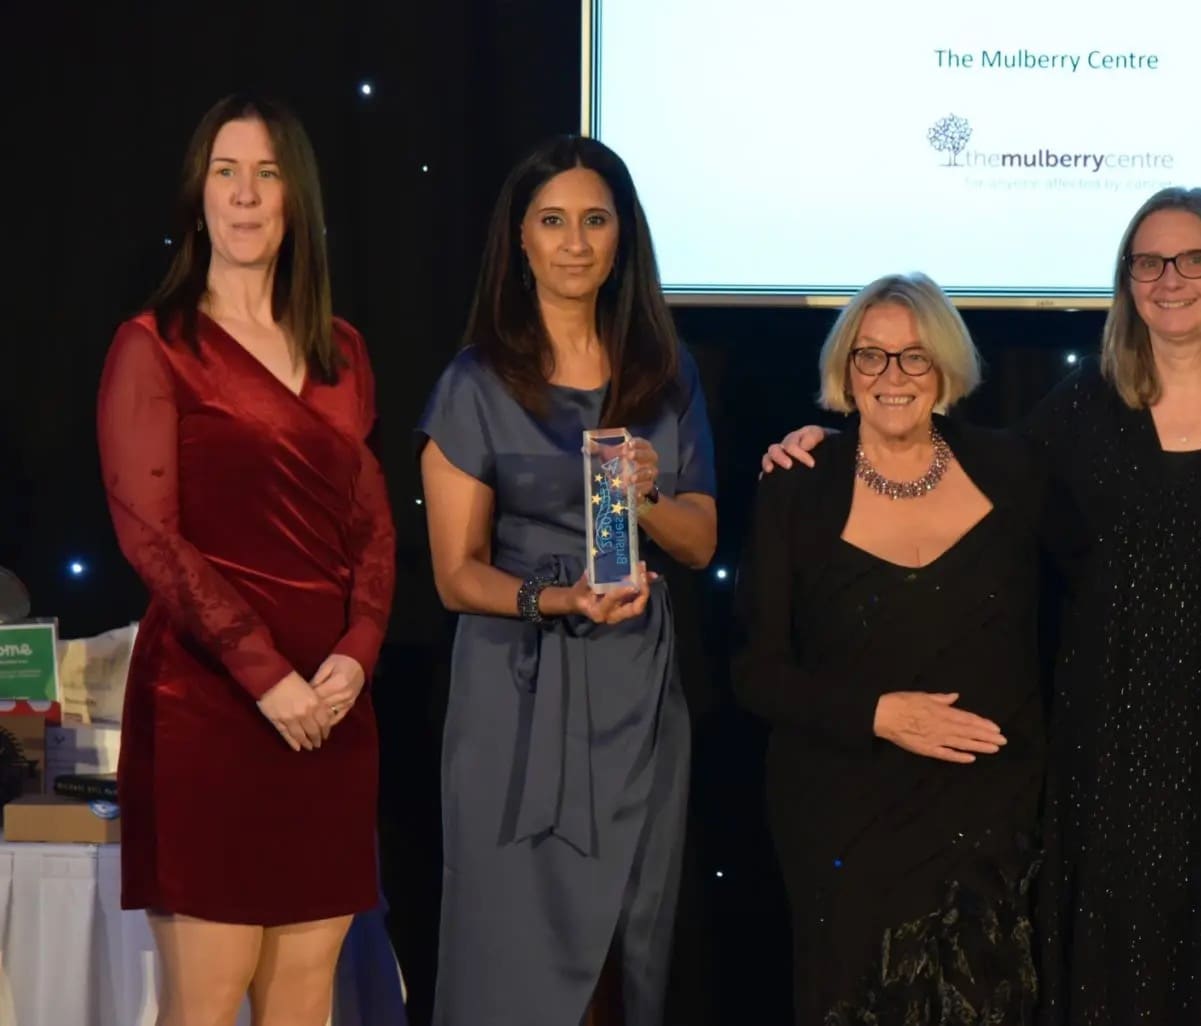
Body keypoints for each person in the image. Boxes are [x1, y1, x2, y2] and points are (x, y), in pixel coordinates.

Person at [762, 188, 1201, 1025]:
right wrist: (832, 440)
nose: (1170, 280)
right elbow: (958, 460)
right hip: (1125, 752)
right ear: (1126, 281)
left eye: (1193, 260)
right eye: (1149, 263)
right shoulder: (1084, 407)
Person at [96, 94, 396, 1026]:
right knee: (207, 994)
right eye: (226, 172)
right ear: (199, 195)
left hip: (332, 710)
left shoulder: (343, 351)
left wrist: (357, 653)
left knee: (305, 997)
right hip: (209, 704)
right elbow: (149, 534)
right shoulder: (154, 345)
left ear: (295, 197)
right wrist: (266, 676)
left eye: (267, 174)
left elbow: (372, 528)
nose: (245, 194)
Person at [419, 135, 718, 1026]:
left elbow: (700, 543)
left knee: (629, 952)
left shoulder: (665, 373)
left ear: (623, 236)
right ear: (520, 238)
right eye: (552, 222)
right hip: (514, 692)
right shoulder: (474, 382)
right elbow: (454, 576)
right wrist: (556, 599)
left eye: (595, 220)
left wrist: (646, 494)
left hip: (635, 691)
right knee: (508, 953)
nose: (575, 243)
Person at [734, 272, 1047, 1025]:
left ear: (944, 367)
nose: (892, 375)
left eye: (914, 356)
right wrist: (879, 715)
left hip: (990, 818)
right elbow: (754, 673)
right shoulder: (798, 487)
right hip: (848, 820)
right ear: (846, 371)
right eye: (870, 356)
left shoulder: (1015, 470)